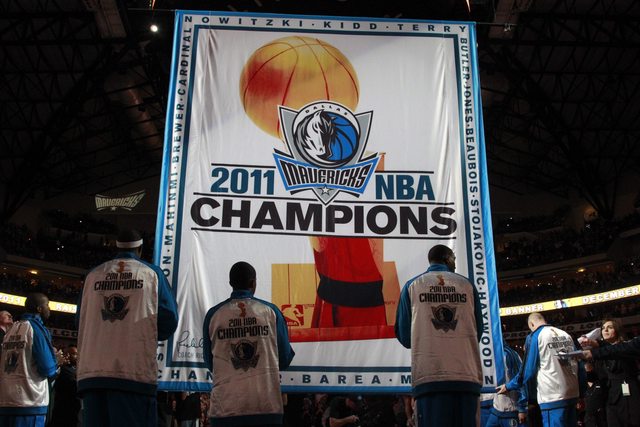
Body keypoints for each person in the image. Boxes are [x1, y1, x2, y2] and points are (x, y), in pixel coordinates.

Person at [76, 229, 179, 427]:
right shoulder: (151, 274)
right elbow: (169, 320)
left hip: (92, 374)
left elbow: (79, 321)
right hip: (132, 374)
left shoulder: (93, 275)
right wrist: (142, 332)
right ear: (140, 249)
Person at [395, 244, 484, 427]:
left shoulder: (412, 286)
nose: (455, 263)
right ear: (447, 258)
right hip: (466, 378)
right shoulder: (467, 285)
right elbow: (478, 332)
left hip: (430, 379)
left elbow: (405, 337)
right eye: (454, 259)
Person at [202, 261, 295, 426]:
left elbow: (211, 364)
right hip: (265, 408)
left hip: (225, 409)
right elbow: (284, 359)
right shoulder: (271, 312)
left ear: (230, 283)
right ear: (253, 283)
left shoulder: (214, 315)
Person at [496, 312, 584, 427]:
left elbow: (528, 370)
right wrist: (582, 393)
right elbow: (580, 365)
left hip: (553, 397)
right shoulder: (565, 334)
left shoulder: (536, 336)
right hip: (572, 394)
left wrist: (509, 386)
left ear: (531, 324)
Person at [0, 293, 58, 427]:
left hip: (5, 400)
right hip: (29, 402)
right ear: (39, 309)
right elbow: (47, 368)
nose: (49, 308)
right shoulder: (36, 329)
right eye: (47, 305)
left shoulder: (11, 329)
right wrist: (56, 364)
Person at [581, 319, 639, 427]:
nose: (605, 330)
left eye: (610, 327)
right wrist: (588, 369)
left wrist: (596, 344)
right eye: (603, 328)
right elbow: (597, 377)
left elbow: (613, 350)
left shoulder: (626, 348)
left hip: (629, 393)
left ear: (617, 330)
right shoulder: (600, 354)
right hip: (610, 396)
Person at [486, 344, 527, 427]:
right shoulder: (489, 354)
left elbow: (521, 380)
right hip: (496, 410)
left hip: (511, 412)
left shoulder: (509, 354)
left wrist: (522, 409)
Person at [50, 345, 81, 427]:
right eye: (74, 354)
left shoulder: (74, 369)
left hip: (72, 410)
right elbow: (74, 386)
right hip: (64, 412)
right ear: (67, 355)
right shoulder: (65, 370)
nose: (77, 357)